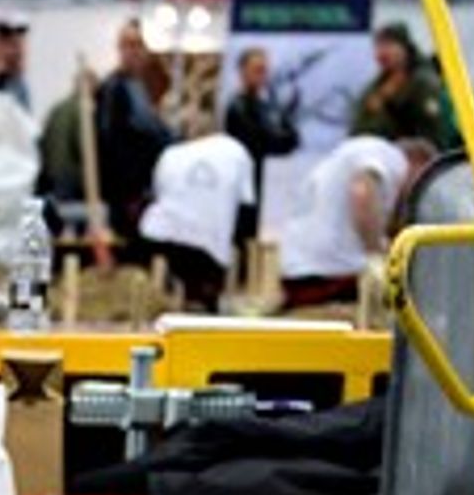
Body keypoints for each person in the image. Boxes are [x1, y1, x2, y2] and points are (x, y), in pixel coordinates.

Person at [279, 134, 433, 312]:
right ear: (420, 163)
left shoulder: (347, 155)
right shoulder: (390, 157)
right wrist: (377, 252)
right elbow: (362, 193)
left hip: (297, 274)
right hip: (333, 276)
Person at [138, 132, 253, 313]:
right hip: (208, 248)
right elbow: (246, 206)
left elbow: (157, 195)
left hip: (158, 236)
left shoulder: (170, 154)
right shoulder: (236, 151)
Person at [94, 19, 175, 258]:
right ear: (119, 49)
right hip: (126, 191)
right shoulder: (113, 88)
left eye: (138, 45)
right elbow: (110, 142)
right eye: (128, 45)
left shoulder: (140, 87)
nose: (134, 51)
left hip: (144, 188)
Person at [222, 46, 298, 252]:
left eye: (265, 70)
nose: (262, 75)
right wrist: (275, 138)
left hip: (271, 182)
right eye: (257, 69)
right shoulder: (237, 106)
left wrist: (277, 137)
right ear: (243, 71)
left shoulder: (269, 106)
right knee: (244, 233)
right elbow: (259, 139)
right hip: (245, 181)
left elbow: (291, 139)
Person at [351, 21, 448, 148]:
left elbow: (432, 132)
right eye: (378, 46)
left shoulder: (422, 83)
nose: (382, 53)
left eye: (388, 46)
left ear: (404, 48)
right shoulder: (377, 85)